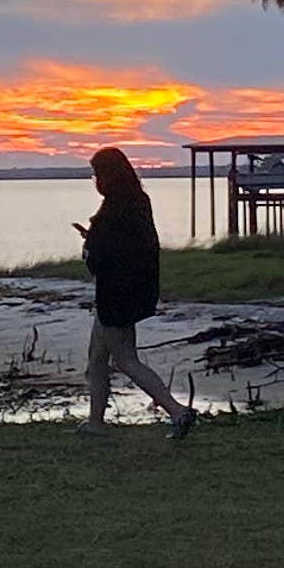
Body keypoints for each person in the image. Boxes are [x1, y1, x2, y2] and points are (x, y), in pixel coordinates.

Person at [78, 147, 192, 434]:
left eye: (97, 175)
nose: (96, 181)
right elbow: (134, 247)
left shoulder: (115, 209)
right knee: (97, 358)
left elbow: (108, 254)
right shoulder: (138, 201)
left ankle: (177, 411)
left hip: (115, 294)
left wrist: (90, 246)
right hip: (130, 291)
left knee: (125, 359)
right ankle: (95, 423)